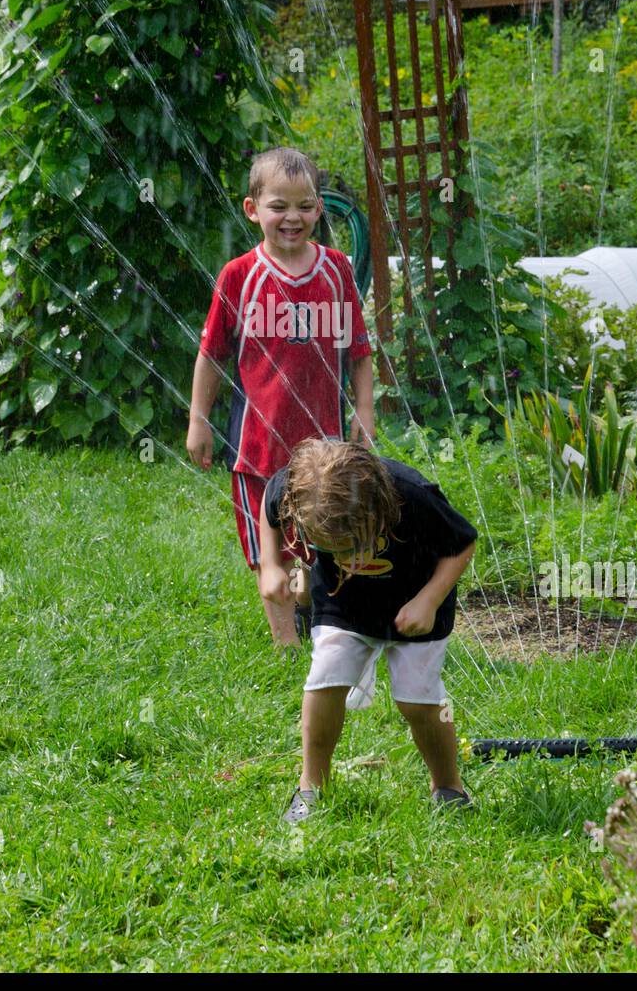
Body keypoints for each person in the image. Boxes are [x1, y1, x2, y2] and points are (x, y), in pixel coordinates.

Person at [187, 147, 375, 647]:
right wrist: (198, 420)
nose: (292, 217)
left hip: (324, 447)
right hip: (257, 446)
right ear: (253, 210)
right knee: (267, 553)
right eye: (279, 206)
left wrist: (364, 412)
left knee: (320, 537)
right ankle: (286, 646)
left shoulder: (336, 270)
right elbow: (211, 355)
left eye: (304, 206)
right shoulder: (239, 275)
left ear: (319, 209)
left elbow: (359, 350)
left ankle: (309, 604)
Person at [258, 438, 478, 822]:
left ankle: (449, 787)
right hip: (344, 602)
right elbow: (269, 507)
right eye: (334, 549)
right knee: (325, 679)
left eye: (354, 545)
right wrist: (271, 564)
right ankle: (311, 787)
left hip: (417, 601)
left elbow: (462, 543)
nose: (349, 559)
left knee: (418, 700)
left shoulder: (412, 495)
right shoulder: (297, 488)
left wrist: (428, 601)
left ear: (379, 508)